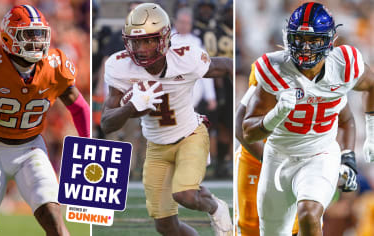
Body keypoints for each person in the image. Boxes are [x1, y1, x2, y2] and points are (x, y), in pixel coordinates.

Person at [0, 5, 90, 236]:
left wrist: (88, 143)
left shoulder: (55, 66)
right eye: (29, 34)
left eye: (40, 34)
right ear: (9, 36)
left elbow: (79, 107)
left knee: (53, 218)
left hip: (31, 149)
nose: (37, 41)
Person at [101, 3, 233, 236]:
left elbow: (227, 66)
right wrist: (131, 107)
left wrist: (248, 93)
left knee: (185, 194)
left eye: (149, 40)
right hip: (156, 146)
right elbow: (107, 122)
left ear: (163, 38)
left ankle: (216, 207)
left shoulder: (186, 57)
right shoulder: (119, 66)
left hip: (190, 135)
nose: (141, 48)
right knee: (165, 225)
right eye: (135, 41)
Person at [242, 2, 373, 235]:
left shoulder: (343, 65)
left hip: (320, 153)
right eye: (299, 38)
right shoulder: (274, 68)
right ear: (288, 37)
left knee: (309, 213)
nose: (305, 47)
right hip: (279, 156)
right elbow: (247, 131)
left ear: (329, 41)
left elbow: (364, 95)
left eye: (313, 41)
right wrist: (275, 116)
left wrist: (358, 146)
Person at [235, 63, 358, 236]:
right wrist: (270, 160)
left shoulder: (330, 77)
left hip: (303, 159)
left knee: (304, 219)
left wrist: (341, 159)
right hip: (257, 157)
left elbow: (345, 120)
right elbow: (239, 123)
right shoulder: (275, 71)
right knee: (252, 227)